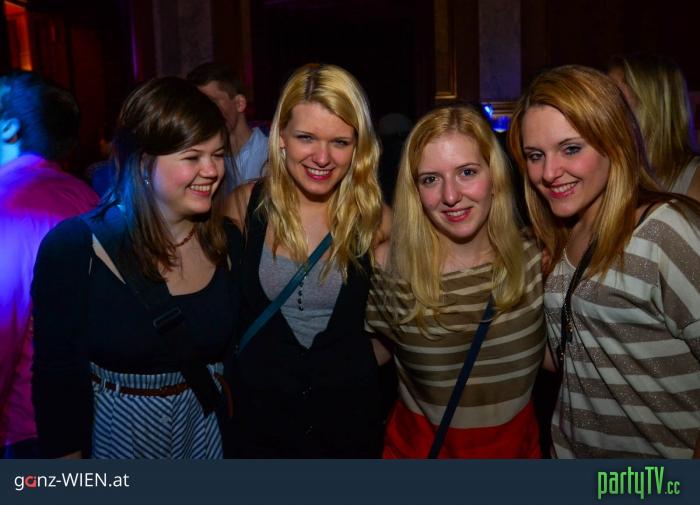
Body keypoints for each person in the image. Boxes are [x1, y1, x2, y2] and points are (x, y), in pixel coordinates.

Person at [31, 77, 241, 459]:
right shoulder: (73, 248)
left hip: (205, 435)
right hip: (119, 440)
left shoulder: (227, 242)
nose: (212, 170)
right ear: (144, 163)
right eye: (193, 157)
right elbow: (56, 381)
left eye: (218, 154)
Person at [508, 64, 700, 458]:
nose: (549, 172)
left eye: (571, 149)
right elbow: (579, 355)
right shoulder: (562, 237)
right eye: (535, 155)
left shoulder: (663, 232)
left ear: (615, 141)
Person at [224, 63, 390, 457]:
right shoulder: (244, 207)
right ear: (281, 136)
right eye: (306, 138)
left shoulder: (377, 221)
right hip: (259, 427)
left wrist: (348, 366)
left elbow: (396, 328)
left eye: (340, 142)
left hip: (347, 428)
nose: (322, 157)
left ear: (358, 146)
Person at [365, 105, 545, 458]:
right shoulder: (389, 268)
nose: (450, 196)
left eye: (467, 172)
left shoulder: (537, 262)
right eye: (430, 179)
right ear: (415, 191)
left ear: (494, 176)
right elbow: (359, 361)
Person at [0, 71, 99, 458]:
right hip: (89, 413)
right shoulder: (86, 195)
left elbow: (4, 327)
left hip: (24, 427)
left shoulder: (10, 205)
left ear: (9, 129)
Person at [608, 53, 700, 200]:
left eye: (617, 96)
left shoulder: (694, 178)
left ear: (652, 104)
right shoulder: (612, 170)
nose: (604, 106)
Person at [187, 62, 267, 190]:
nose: (203, 112)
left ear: (239, 103)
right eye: (197, 106)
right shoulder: (201, 162)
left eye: (211, 103)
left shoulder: (272, 152)